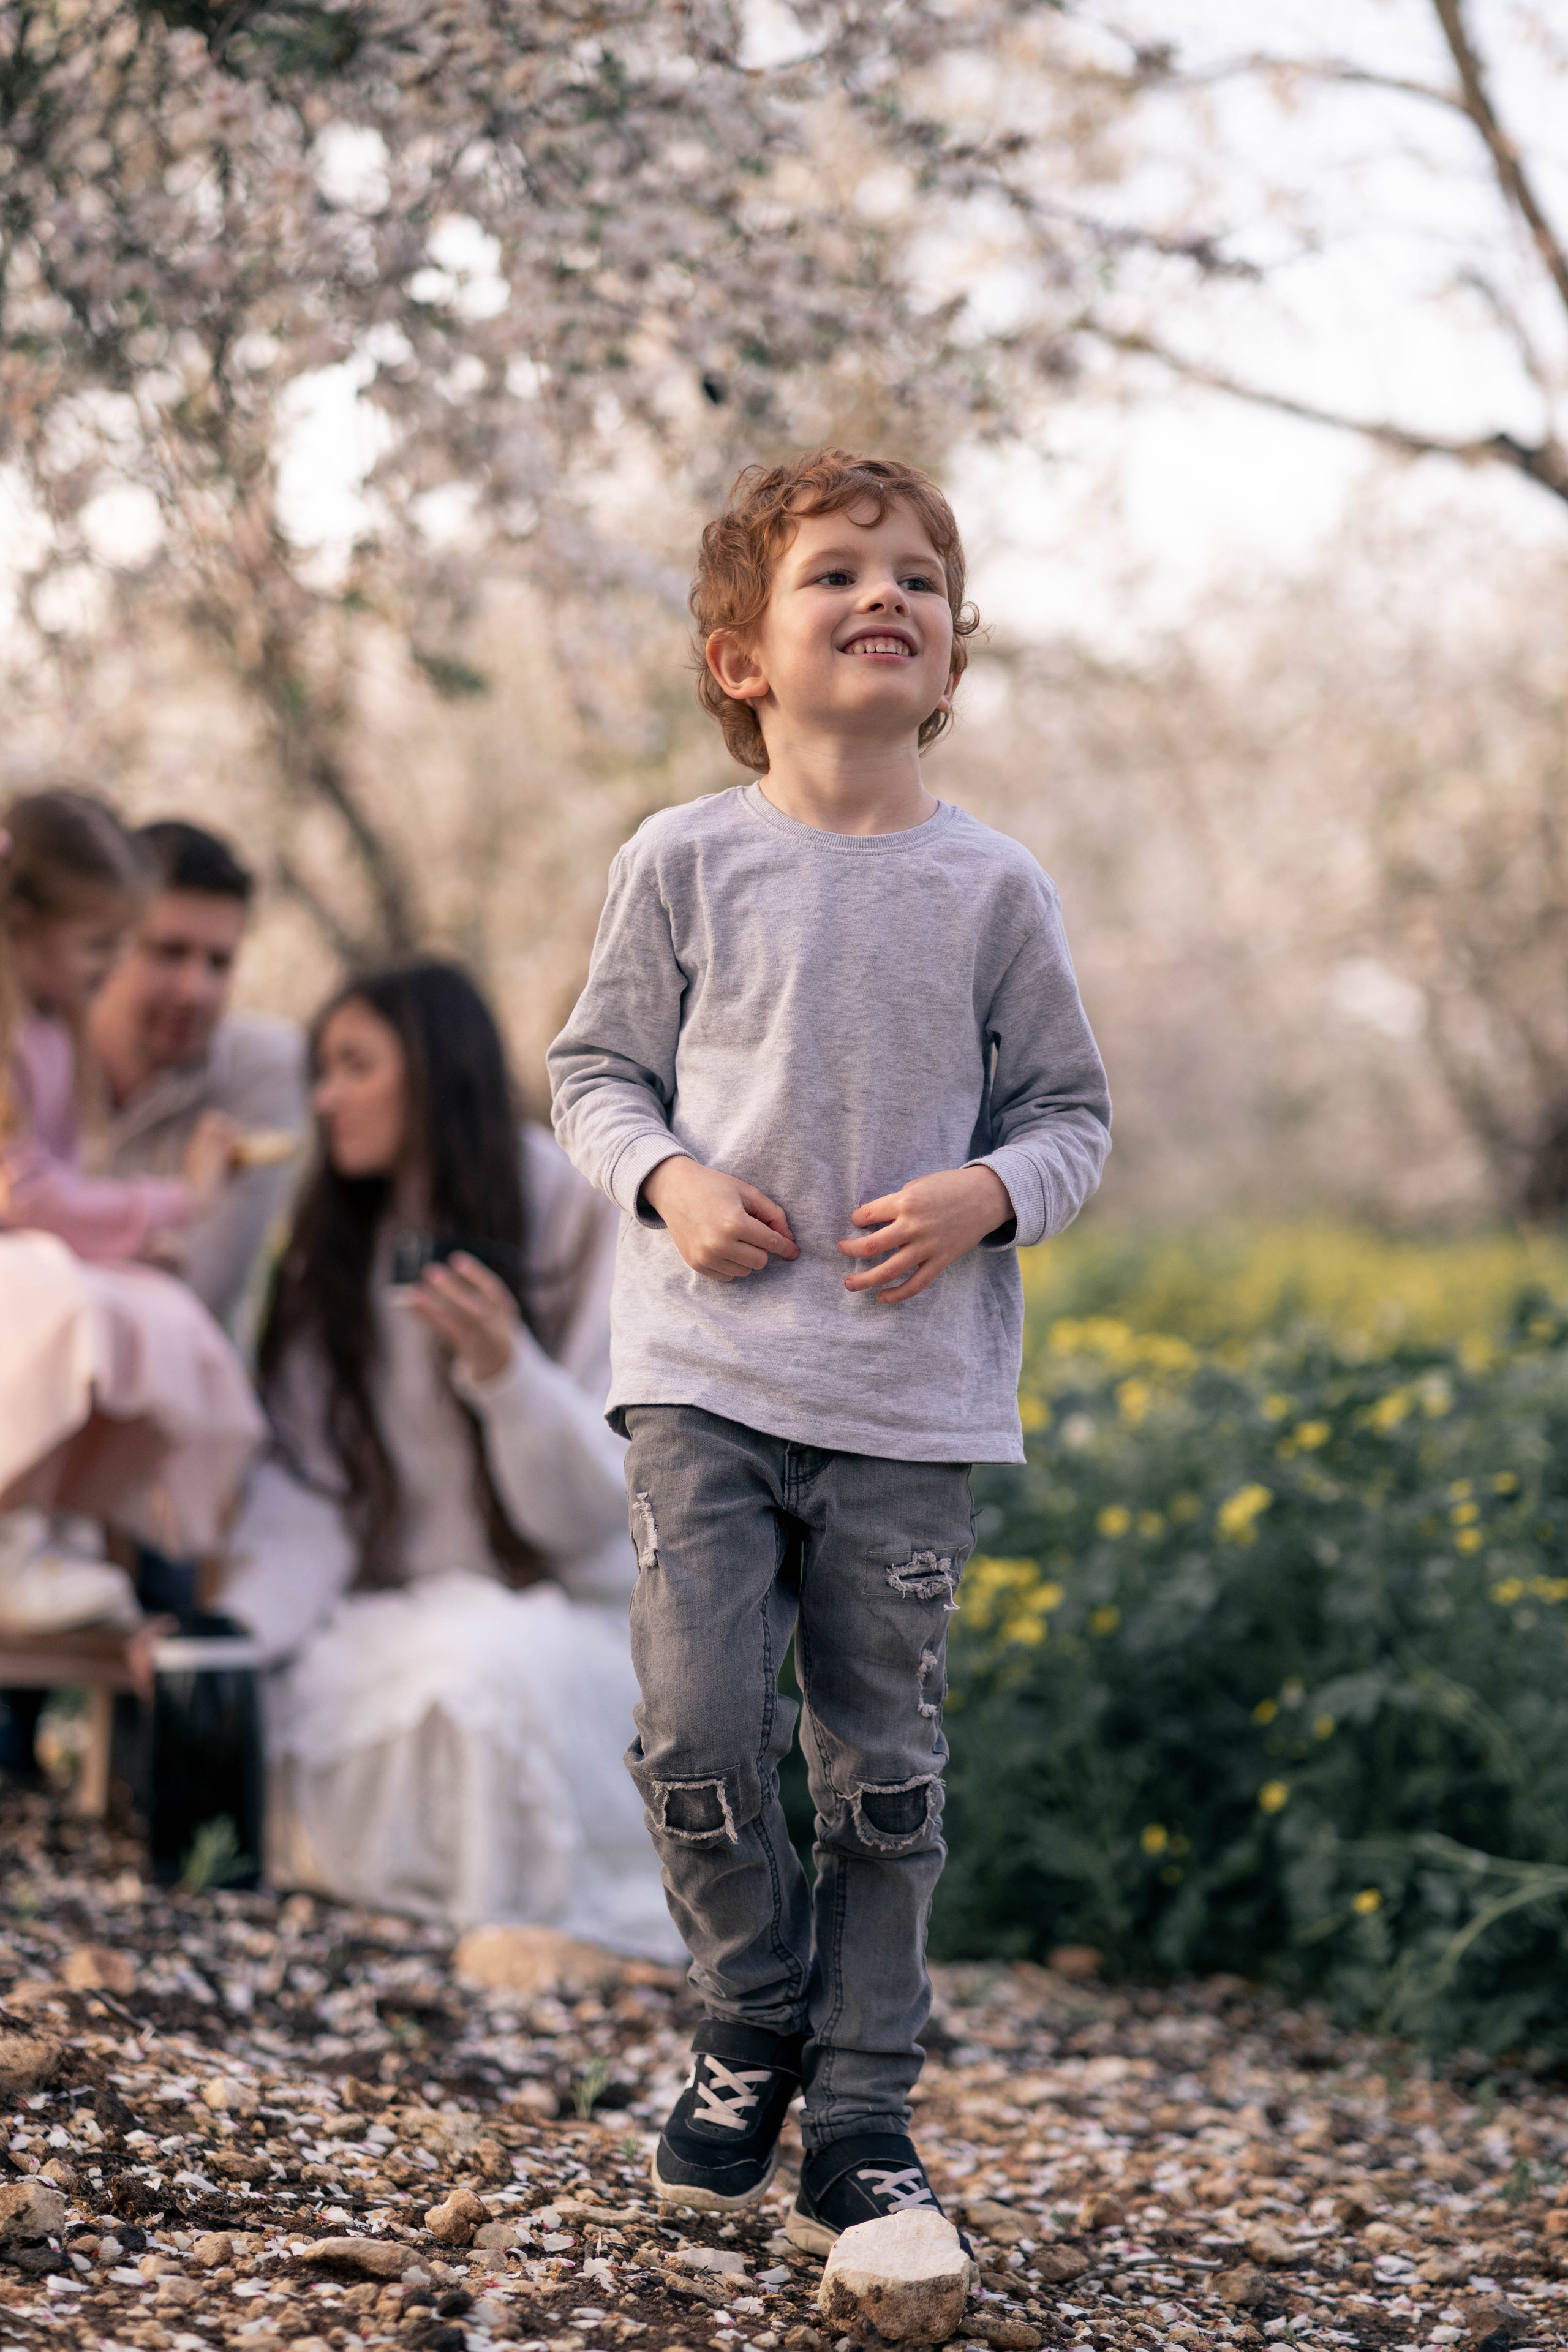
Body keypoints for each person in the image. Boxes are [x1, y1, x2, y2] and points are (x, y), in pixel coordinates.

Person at [548, 451, 1112, 2245]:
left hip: (905, 1404)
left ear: (950, 660)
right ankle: (748, 2007)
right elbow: (591, 1075)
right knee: (697, 1725)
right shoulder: (684, 860)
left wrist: (986, 1197)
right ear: (738, 655)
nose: (884, 596)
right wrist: (668, 1183)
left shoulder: (990, 887)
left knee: (881, 1769)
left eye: (918, 580)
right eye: (836, 573)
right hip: (703, 1379)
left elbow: (1072, 1116)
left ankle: (861, 2107)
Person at [218, 957, 681, 1951]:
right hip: (396, 1610)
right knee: (308, 1692)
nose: (325, 1098)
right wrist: (237, 1630)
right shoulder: (335, 1243)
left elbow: (602, 1505)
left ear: (430, 1071)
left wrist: (504, 1371)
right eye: (320, 1070)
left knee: (484, 1669)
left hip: (572, 1616)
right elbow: (308, 1487)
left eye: (355, 1066)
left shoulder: (572, 1210)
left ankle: (499, 1943)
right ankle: (420, 1935)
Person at [0, 789, 263, 1646]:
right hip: (21, 1265)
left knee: (162, 1317)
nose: (107, 969)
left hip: (33, 1259)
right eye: (102, 946)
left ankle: (60, 1525)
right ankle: (14, 1536)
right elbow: (27, 1196)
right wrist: (175, 1202)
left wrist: (148, 1245)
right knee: (67, 1299)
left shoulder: (53, 1031)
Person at [89, 820, 307, 1332]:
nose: (196, 990)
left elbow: (195, 1298)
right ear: (103, 945)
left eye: (219, 962)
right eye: (169, 952)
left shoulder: (264, 1070)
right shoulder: (27, 1058)